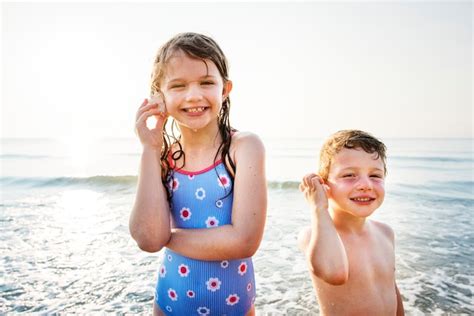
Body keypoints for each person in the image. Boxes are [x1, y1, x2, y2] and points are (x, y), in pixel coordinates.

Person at [129, 32, 267, 316]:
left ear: (225, 89)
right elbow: (147, 238)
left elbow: (245, 241)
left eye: (206, 83)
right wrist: (149, 149)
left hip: (235, 309)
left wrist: (169, 238)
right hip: (169, 304)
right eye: (178, 85)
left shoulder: (243, 148)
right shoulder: (163, 157)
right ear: (159, 94)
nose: (194, 95)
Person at [298, 130, 404, 315]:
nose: (366, 184)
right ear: (324, 184)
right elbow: (334, 273)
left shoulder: (386, 233)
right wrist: (318, 208)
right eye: (349, 175)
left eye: (375, 176)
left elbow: (391, 289)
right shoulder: (313, 235)